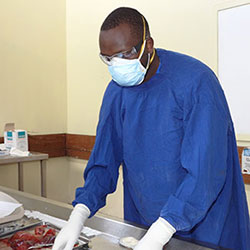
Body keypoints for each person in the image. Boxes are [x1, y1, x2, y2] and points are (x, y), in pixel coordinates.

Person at [52, 7, 250, 250]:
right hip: (145, 224)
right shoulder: (117, 91)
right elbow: (104, 161)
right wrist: (80, 213)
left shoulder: (196, 82)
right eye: (108, 58)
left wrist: (162, 230)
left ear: (148, 45)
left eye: (124, 54)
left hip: (207, 227)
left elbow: (205, 172)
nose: (116, 65)